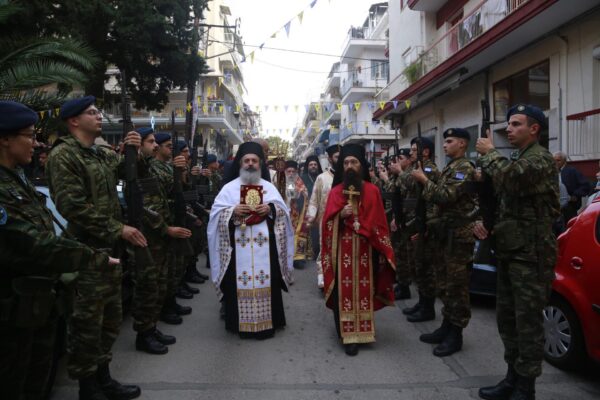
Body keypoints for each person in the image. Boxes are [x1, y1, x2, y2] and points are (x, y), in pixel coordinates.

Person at [0, 101, 120, 400]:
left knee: (37, 380)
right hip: (13, 304)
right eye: (28, 135)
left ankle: (100, 378)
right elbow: (33, 241)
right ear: (4, 139)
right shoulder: (55, 160)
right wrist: (93, 256)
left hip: (37, 301)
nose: (37, 142)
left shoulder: (18, 179)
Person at [45, 96, 142, 400]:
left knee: (110, 321)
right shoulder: (64, 155)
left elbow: (128, 172)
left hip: (109, 252)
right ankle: (87, 389)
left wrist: (133, 151)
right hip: (86, 254)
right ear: (74, 120)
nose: (99, 116)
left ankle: (104, 379)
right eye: (91, 112)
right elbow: (71, 206)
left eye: (98, 111)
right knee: (86, 325)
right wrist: (118, 228)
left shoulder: (99, 154)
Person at [476, 104, 559, 400]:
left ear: (534, 129)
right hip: (512, 252)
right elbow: (501, 197)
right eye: (508, 124)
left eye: (515, 124)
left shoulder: (541, 159)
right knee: (507, 319)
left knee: (528, 323)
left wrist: (489, 153)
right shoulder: (517, 157)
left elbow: (511, 179)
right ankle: (512, 377)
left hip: (531, 256)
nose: (508, 129)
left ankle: (527, 387)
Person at [207, 142, 293, 339]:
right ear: (240, 164)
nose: (250, 164)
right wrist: (231, 211)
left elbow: (284, 215)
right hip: (238, 249)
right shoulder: (228, 189)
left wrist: (270, 209)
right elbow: (214, 218)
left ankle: (269, 322)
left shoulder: (269, 188)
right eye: (247, 160)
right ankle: (239, 324)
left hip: (265, 248)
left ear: (260, 164)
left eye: (254, 161)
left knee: (267, 281)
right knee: (237, 283)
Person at [321, 144, 395, 356]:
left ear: (361, 165)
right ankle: (346, 335)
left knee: (364, 290)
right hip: (340, 250)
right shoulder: (336, 192)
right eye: (345, 163)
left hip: (366, 249)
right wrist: (339, 216)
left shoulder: (372, 191)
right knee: (342, 291)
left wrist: (372, 237)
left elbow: (380, 223)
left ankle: (362, 330)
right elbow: (326, 225)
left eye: (354, 162)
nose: (350, 166)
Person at [411, 128, 477, 357]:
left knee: (457, 288)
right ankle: (446, 327)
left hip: (458, 238)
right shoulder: (451, 167)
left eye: (449, 141)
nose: (445, 145)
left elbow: (445, 196)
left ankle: (455, 334)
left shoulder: (465, 168)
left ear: (462, 143)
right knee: (445, 285)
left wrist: (424, 180)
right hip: (444, 236)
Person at [132, 127, 192, 354]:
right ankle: (143, 333)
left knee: (158, 283)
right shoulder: (143, 169)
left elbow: (171, 195)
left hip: (160, 234)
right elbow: (147, 206)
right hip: (149, 235)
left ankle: (151, 327)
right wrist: (165, 229)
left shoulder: (151, 167)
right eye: (150, 142)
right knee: (148, 285)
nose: (155, 145)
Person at [151, 133, 194, 323]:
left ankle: (170, 302)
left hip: (174, 218)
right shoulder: (152, 168)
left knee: (173, 269)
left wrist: (182, 172)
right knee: (161, 275)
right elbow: (162, 196)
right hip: (162, 224)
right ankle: (162, 310)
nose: (171, 149)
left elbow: (183, 190)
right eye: (167, 146)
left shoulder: (169, 167)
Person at [401, 137, 441, 322]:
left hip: (427, 225)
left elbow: (431, 200)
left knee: (426, 269)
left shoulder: (429, 170)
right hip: (417, 222)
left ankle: (428, 308)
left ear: (425, 152)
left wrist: (426, 226)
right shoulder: (420, 169)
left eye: (415, 150)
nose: (411, 153)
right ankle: (423, 303)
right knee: (418, 267)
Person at [379, 148, 414, 300]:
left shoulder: (410, 174)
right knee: (399, 254)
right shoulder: (400, 174)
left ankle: (405, 286)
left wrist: (387, 178)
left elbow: (404, 192)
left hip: (409, 220)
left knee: (406, 257)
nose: (396, 162)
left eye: (400, 158)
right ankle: (401, 284)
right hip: (398, 218)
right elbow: (391, 193)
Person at [306, 144, 339, 289]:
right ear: (330, 159)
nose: (340, 159)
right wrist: (311, 216)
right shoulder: (322, 178)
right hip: (325, 221)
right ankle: (323, 277)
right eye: (337, 157)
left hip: (345, 220)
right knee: (324, 248)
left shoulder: (348, 177)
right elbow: (314, 199)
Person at [284, 160, 311, 269]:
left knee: (298, 234)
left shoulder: (298, 181)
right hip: (284, 214)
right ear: (285, 171)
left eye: (293, 172)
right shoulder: (280, 181)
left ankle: (298, 258)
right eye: (288, 171)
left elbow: (303, 194)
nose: (290, 174)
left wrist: (300, 192)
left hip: (297, 213)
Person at [553, 151, 591, 224]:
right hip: (555, 207)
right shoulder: (552, 172)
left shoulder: (572, 171)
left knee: (570, 227)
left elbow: (586, 185)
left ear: (564, 161)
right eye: (554, 160)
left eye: (558, 160)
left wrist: (575, 195)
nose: (555, 163)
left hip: (569, 206)